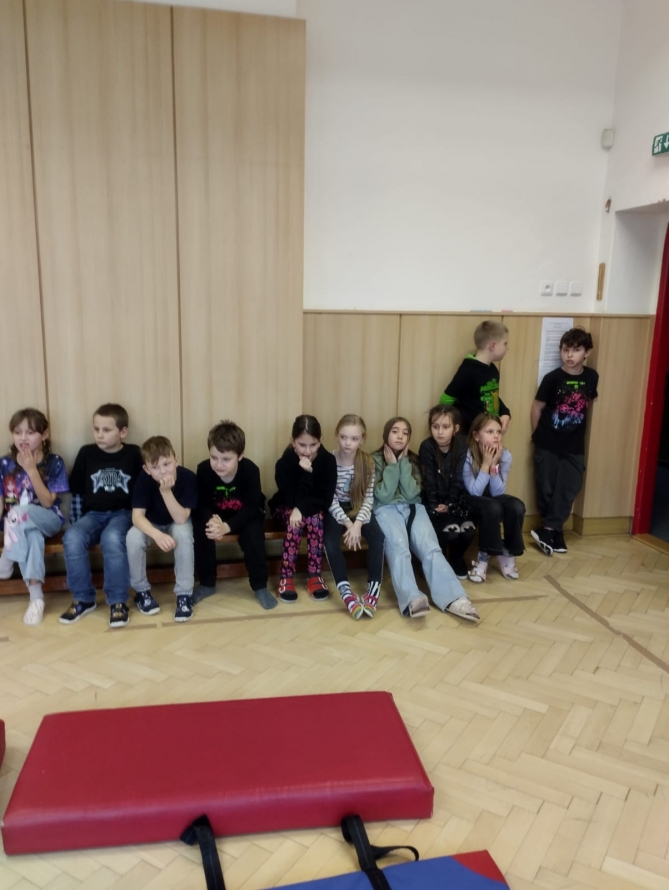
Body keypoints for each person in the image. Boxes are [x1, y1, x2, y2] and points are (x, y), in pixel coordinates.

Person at [372, 416, 479, 621]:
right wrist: (392, 466)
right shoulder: (374, 459)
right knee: (399, 547)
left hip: (414, 508)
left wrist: (403, 463)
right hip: (385, 509)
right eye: (395, 431)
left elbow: (412, 493)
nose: (400, 436)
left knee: (430, 548)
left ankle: (454, 597)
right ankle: (412, 597)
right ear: (386, 434)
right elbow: (383, 495)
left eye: (405, 433)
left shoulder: (413, 459)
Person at [60, 403, 143, 628]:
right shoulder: (86, 453)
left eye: (106, 430)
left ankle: (118, 601)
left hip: (123, 514)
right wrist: (76, 523)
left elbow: (143, 491)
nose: (99, 434)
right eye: (96, 429)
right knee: (72, 537)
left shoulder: (133, 453)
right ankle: (83, 598)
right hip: (93, 515)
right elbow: (77, 491)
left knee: (112, 538)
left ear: (123, 432)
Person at [192, 420, 275, 610]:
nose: (219, 464)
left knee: (253, 535)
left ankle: (260, 586)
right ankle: (207, 583)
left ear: (240, 455)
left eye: (226, 459)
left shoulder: (251, 470)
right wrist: (213, 522)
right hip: (217, 516)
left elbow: (252, 508)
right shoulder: (203, 470)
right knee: (201, 529)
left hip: (245, 515)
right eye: (214, 457)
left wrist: (227, 527)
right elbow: (202, 504)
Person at [530, 327, 598, 556]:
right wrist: (536, 437)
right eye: (565, 350)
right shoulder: (552, 378)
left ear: (587, 352)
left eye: (576, 350)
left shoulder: (591, 377)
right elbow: (537, 408)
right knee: (546, 487)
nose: (569, 355)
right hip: (547, 441)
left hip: (574, 444)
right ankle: (553, 530)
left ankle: (549, 529)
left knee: (570, 486)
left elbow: (588, 404)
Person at [0, 408, 69, 625]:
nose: (23, 438)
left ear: (44, 434)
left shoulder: (54, 462)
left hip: (49, 519)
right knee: (32, 538)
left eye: (30, 433)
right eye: (17, 432)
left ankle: (6, 560)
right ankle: (36, 599)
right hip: (16, 529)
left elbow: (48, 502)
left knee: (18, 512)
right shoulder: (5, 463)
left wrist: (31, 470)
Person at [127, 436, 197, 622]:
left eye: (167, 464)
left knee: (183, 534)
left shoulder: (188, 477)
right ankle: (141, 592)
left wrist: (166, 492)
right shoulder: (143, 479)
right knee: (133, 537)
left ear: (176, 460)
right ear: (146, 469)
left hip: (176, 521)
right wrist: (157, 535)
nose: (163, 471)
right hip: (152, 524)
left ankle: (184, 594)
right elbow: (137, 517)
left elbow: (181, 518)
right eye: (155, 467)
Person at [269, 415, 337, 604]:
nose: (307, 451)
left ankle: (314, 575)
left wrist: (301, 509)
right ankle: (286, 576)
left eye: (313, 445)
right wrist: (305, 474)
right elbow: (291, 499)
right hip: (284, 507)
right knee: (296, 521)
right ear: (292, 441)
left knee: (314, 518)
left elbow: (325, 499)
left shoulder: (328, 461)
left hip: (311, 510)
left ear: (320, 441)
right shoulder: (283, 464)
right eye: (302, 445)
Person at [323, 414, 385, 619]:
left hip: (359, 508)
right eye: (343, 437)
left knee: (378, 537)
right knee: (330, 541)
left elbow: (368, 499)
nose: (348, 443)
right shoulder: (328, 460)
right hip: (336, 510)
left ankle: (372, 591)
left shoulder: (368, 462)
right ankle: (346, 592)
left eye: (354, 438)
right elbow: (329, 499)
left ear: (362, 439)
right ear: (336, 435)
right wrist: (348, 524)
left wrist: (357, 524)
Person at [462, 412, 525, 582]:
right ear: (476, 436)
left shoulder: (505, 455)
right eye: (490, 432)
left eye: (498, 432)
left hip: (492, 497)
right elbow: (474, 492)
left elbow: (498, 492)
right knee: (492, 507)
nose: (496, 436)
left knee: (516, 506)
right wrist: (485, 464)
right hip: (469, 500)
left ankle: (508, 552)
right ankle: (483, 558)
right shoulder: (467, 455)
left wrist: (494, 466)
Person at [418, 405, 475, 580]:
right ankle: (439, 560)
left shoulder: (462, 445)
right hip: (432, 500)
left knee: (468, 530)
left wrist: (450, 503)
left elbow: (458, 477)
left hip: (455, 499)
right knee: (447, 531)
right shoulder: (427, 446)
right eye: (435, 427)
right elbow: (429, 479)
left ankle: (457, 558)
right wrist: (435, 504)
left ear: (455, 429)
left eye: (445, 427)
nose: (440, 432)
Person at [440, 320, 511, 434]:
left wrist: (505, 413)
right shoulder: (468, 370)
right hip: (470, 435)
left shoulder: (492, 369)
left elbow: (492, 396)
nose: (507, 348)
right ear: (493, 345)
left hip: (489, 433)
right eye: (505, 343)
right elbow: (445, 400)